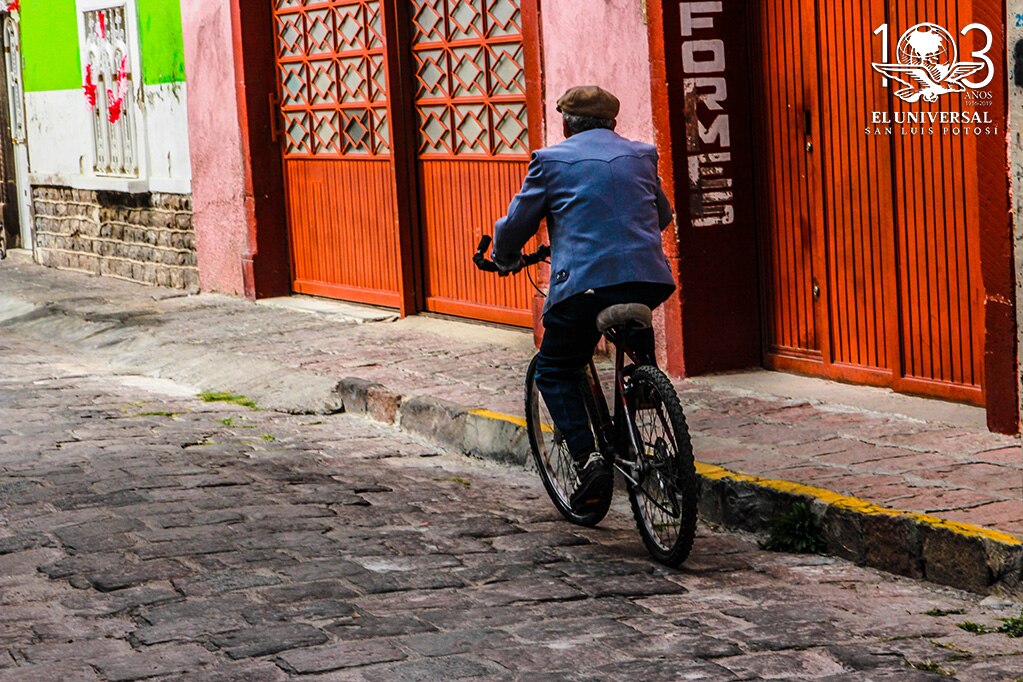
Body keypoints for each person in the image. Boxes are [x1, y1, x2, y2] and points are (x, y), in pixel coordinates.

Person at [492, 85, 676, 514]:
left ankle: (587, 458)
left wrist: (504, 258)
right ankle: (643, 387)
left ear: (565, 124)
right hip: (648, 280)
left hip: (584, 286)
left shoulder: (550, 161)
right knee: (633, 341)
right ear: (612, 122)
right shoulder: (641, 155)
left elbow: (515, 225)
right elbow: (662, 216)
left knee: (555, 367)